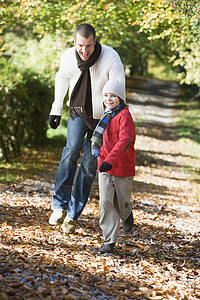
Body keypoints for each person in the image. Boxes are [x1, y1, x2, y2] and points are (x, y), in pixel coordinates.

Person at [48, 23, 125, 234]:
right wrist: (56, 109)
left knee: (90, 165)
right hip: (79, 111)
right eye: (80, 45)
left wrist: (117, 118)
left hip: (103, 118)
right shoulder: (68, 57)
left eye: (89, 46)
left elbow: (118, 85)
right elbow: (61, 79)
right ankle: (58, 206)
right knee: (71, 151)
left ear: (95, 41)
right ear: (74, 42)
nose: (84, 51)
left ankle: (72, 215)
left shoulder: (110, 57)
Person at [91, 80, 136, 253]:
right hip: (104, 165)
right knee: (105, 202)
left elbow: (125, 140)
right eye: (106, 95)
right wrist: (102, 158)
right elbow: (98, 138)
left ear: (120, 98)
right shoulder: (106, 115)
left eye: (113, 96)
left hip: (122, 166)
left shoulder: (124, 116)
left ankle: (127, 212)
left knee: (121, 202)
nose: (109, 99)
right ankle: (109, 241)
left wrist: (111, 159)